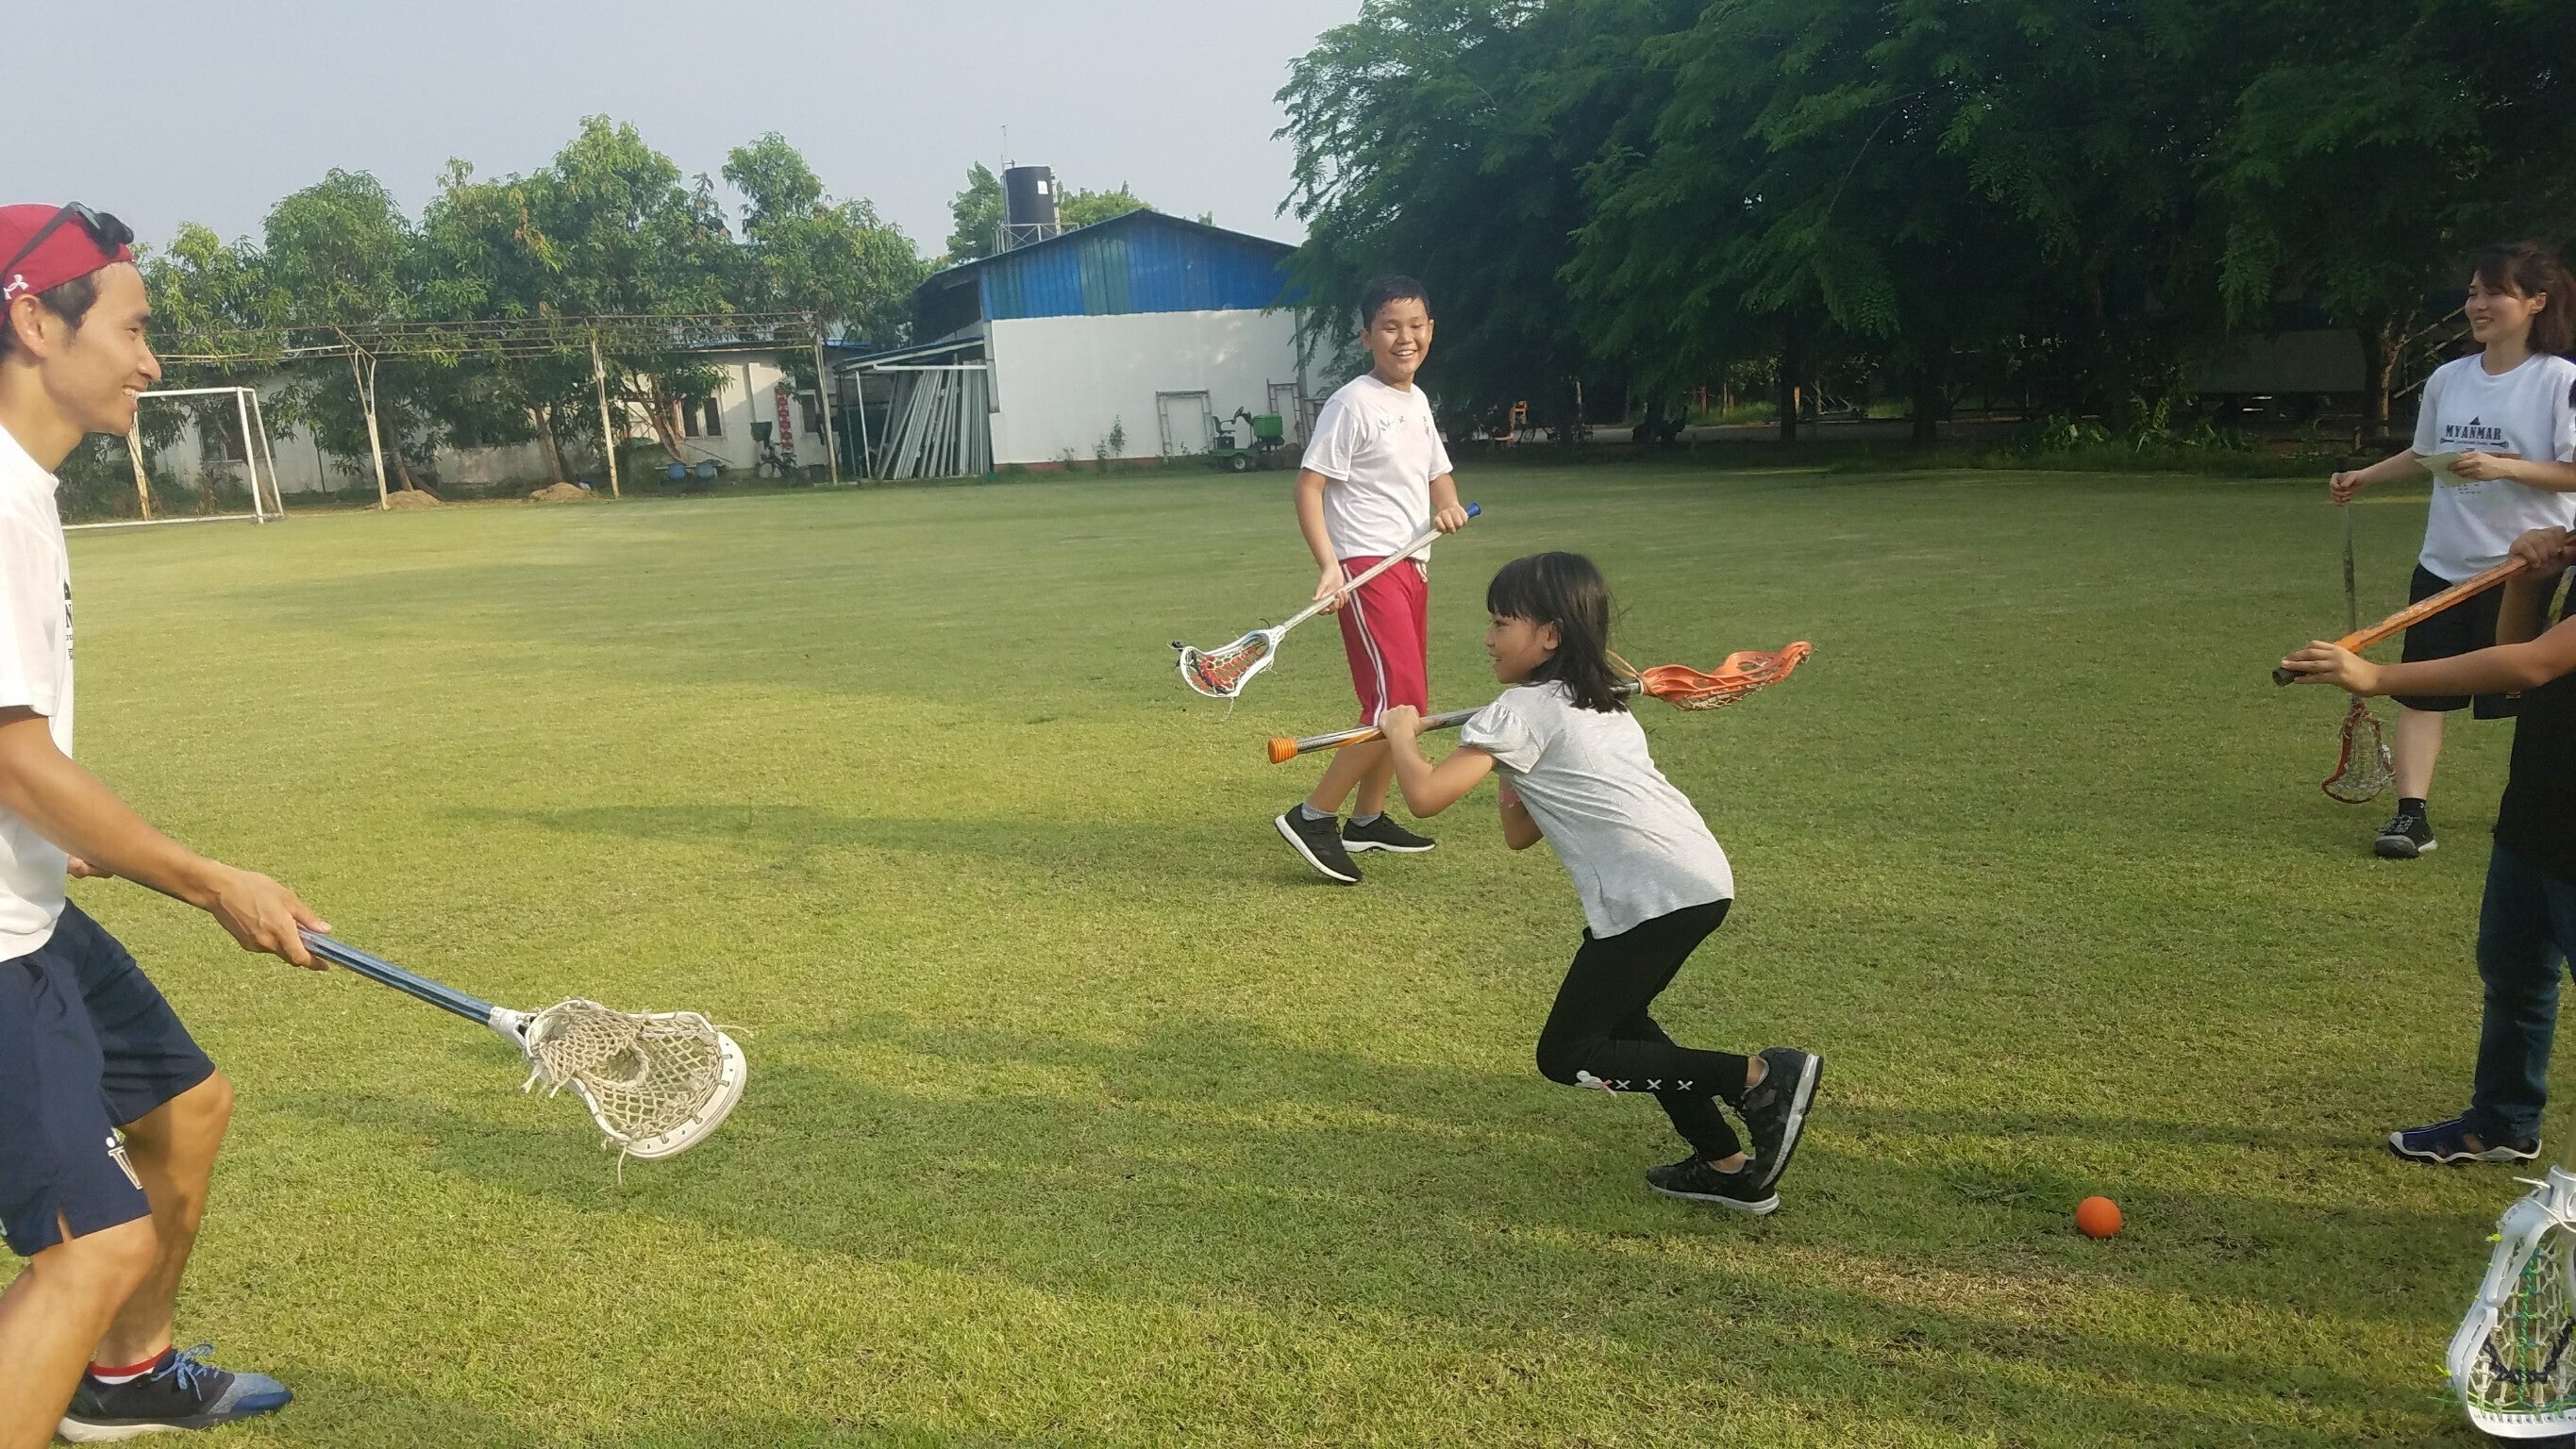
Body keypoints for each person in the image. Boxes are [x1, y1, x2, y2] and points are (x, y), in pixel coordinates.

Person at [0, 203, 330, 1447]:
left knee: (184, 1109)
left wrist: (55, 829)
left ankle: (124, 1377)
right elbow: (14, 756)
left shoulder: (26, 490)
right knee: (91, 1249)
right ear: (35, 322)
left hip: (28, 903)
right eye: (132, 330)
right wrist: (208, 880)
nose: (150, 362)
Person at [1375, 551, 1822, 1213]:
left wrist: (1400, 734)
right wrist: (1508, 767)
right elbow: (1520, 833)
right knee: (1625, 1023)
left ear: (1551, 634)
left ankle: (1759, 1077)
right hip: (1694, 881)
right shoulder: (1598, 704)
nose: (1488, 637)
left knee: (1567, 1055)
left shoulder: (1520, 708)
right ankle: (1727, 1165)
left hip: (1652, 894)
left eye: (1502, 622)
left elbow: (1424, 797)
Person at [2283, 525, 2576, 1164]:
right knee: (2516, 975)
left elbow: (2537, 663)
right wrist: (2525, 587)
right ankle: (2502, 1124)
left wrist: (2377, 676)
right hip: (2538, 807)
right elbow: (2519, 671)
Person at [2326, 241, 2576, 859]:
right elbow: (2425, 451)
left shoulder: (2559, 379)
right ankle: (2411, 817)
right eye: (2471, 293)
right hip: (2443, 564)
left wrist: (2503, 466)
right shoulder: (2449, 377)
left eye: (2494, 293)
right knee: (2421, 693)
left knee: (2534, 698)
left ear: (2536, 302)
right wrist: (2365, 476)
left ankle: (2534, 810)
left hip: (2526, 568)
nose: (2478, 305)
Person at [1271, 275, 1472, 885]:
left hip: (1411, 564)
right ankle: (1313, 816)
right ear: (1366, 337)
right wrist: (1330, 565)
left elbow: (1438, 474)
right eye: (1389, 327)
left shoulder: (1417, 401)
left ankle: (1367, 819)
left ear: (1431, 330)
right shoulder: (1352, 403)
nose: (1404, 338)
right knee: (1395, 705)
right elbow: (1309, 487)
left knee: (1406, 704)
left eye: (1415, 326)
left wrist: (1449, 504)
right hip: (1366, 568)